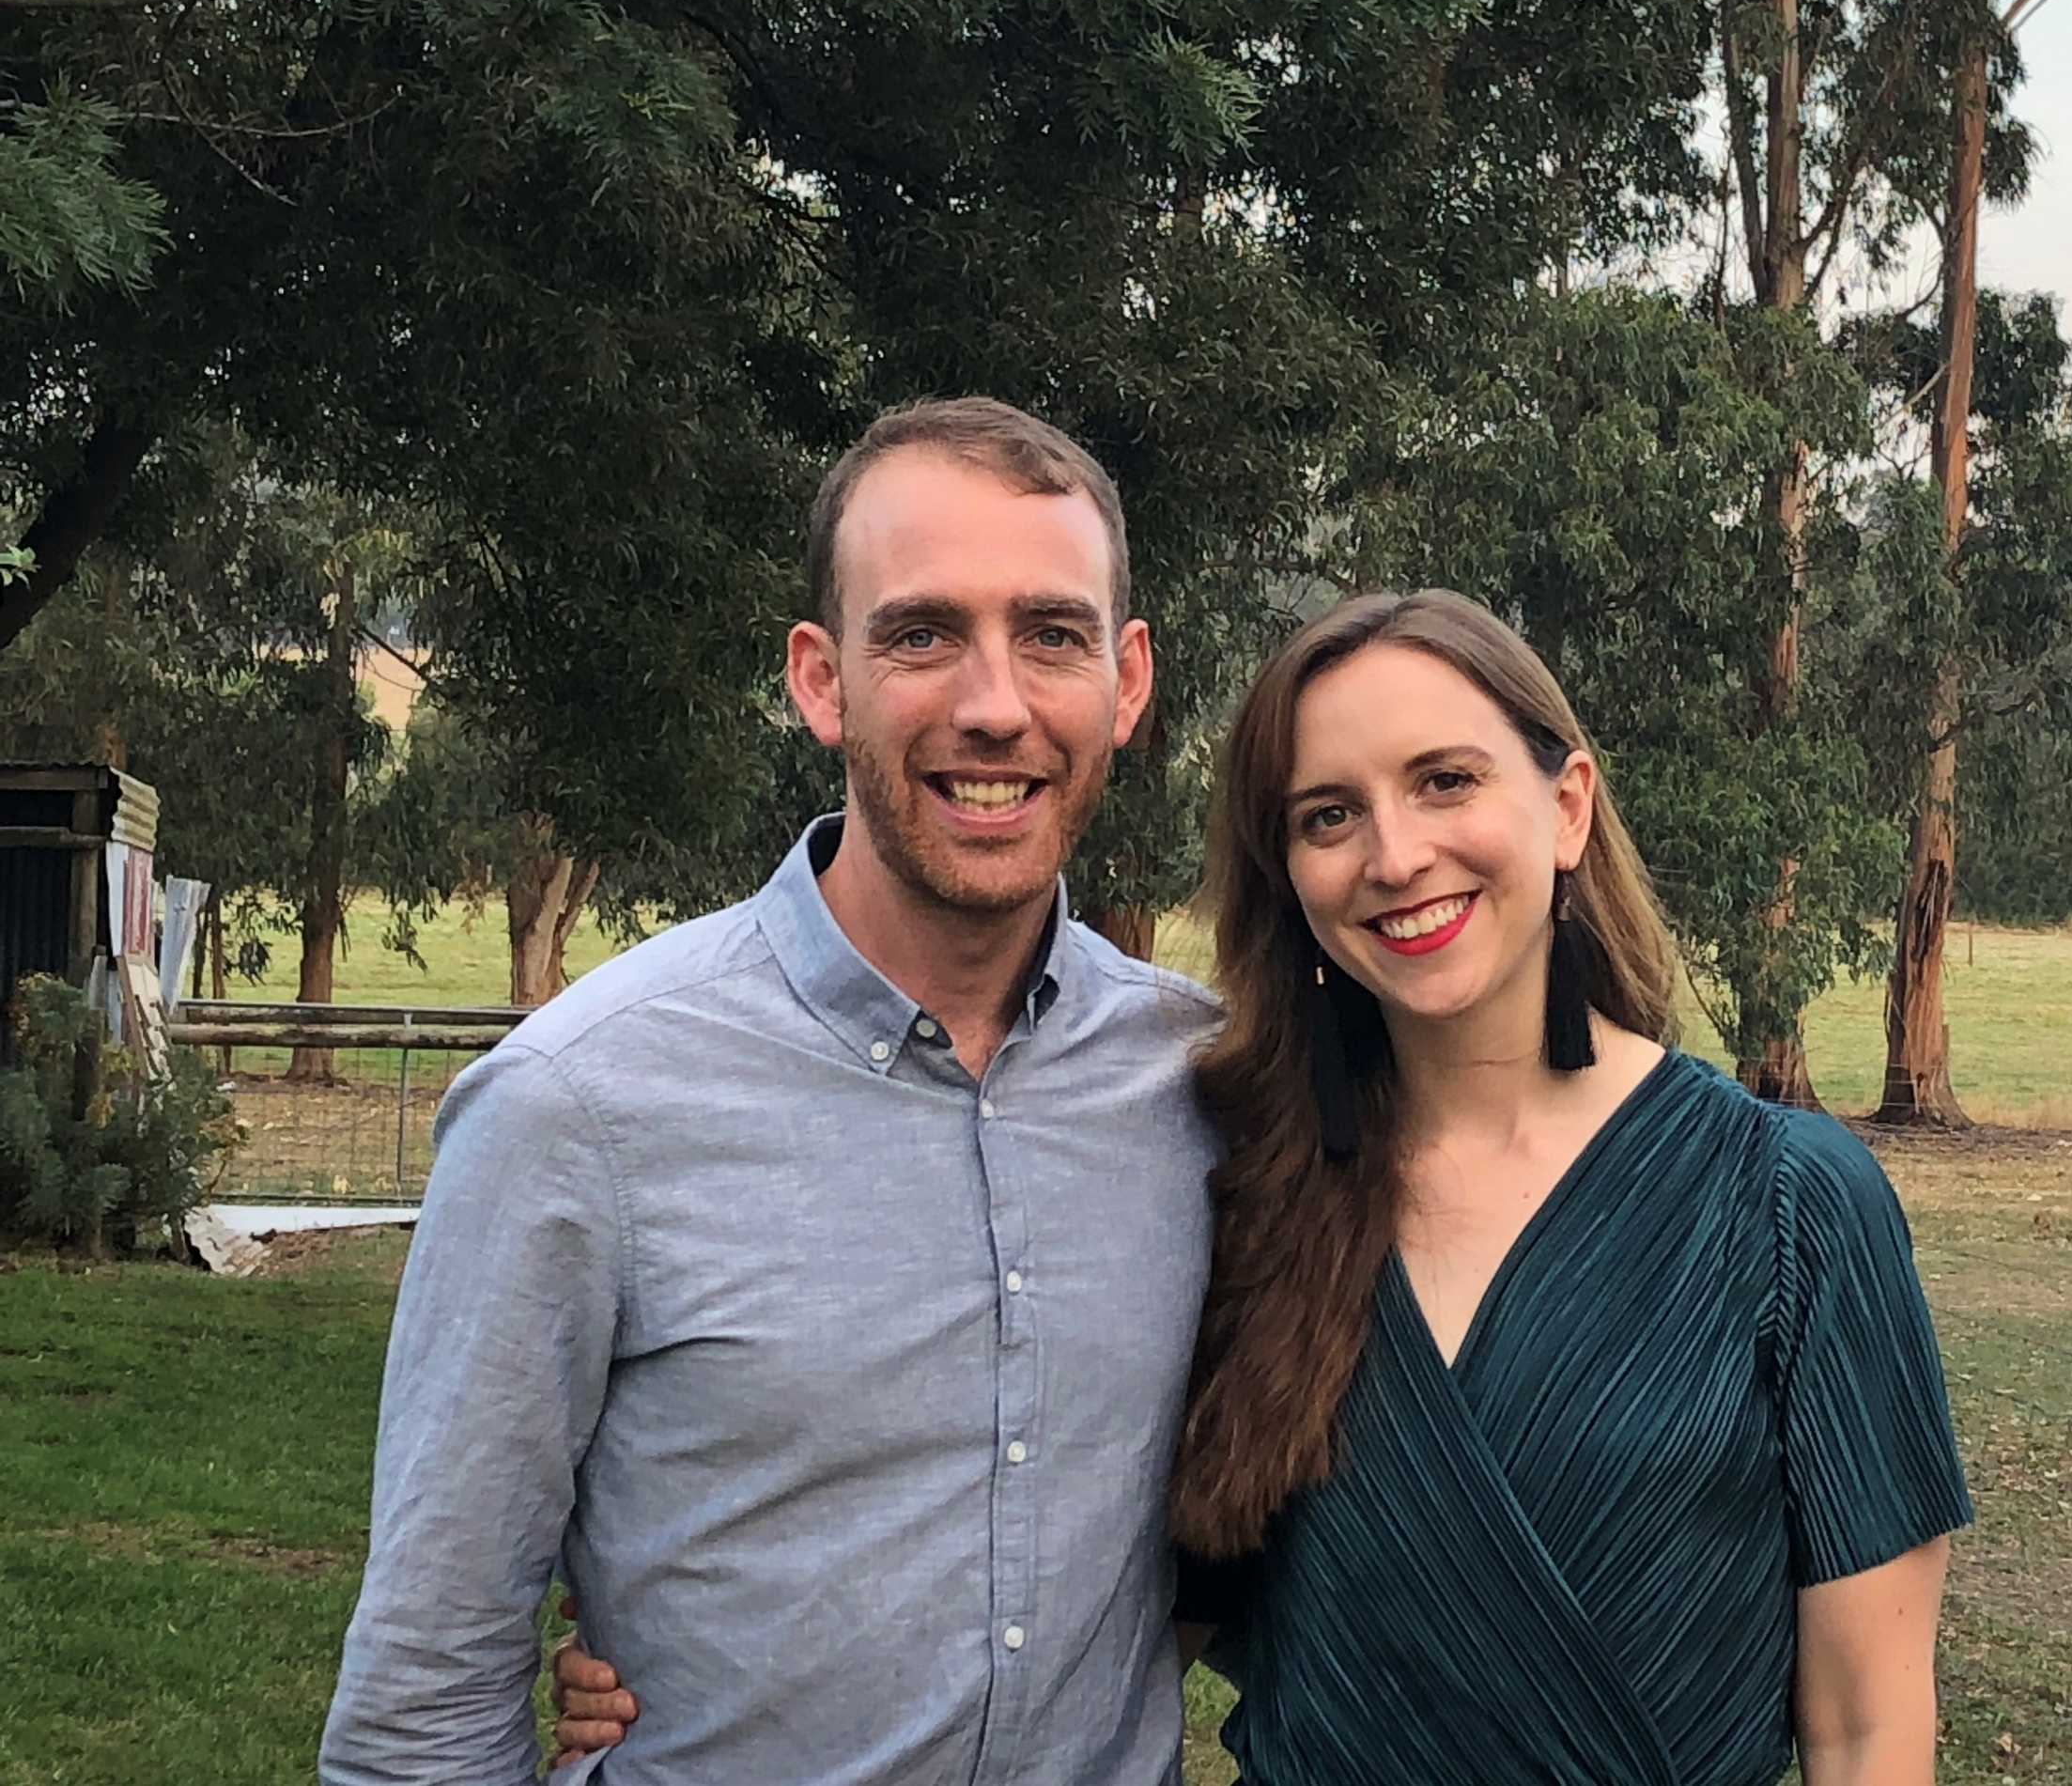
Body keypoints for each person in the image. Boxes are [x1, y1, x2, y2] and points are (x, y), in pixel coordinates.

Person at [561, 588, 1973, 1783]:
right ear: (1289, 874)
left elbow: (1867, 1726)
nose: (1395, 855)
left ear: (1566, 805)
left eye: (1446, 780)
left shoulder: (1789, 1207)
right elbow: (1083, 1600)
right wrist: (714, 1672)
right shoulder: (1242, 1189)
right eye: (1327, 813)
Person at [320, 397, 1222, 1785]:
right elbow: (423, 1703)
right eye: (921, 635)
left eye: (1053, 633)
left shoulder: (1205, 1083)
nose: (995, 705)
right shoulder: (578, 1106)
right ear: (821, 680)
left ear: (1128, 679)